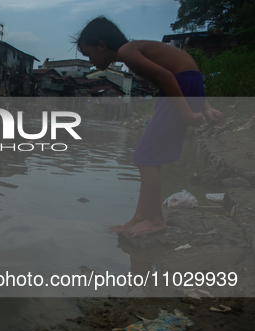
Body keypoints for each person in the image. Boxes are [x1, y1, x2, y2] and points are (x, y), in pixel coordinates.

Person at [75, 16, 221, 237]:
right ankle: (140, 217)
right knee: (151, 158)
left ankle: (155, 220)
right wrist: (205, 106)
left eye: (89, 54)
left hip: (180, 85)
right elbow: (188, 73)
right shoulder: (134, 52)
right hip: (187, 84)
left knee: (144, 156)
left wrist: (189, 114)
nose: (91, 62)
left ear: (102, 45)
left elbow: (167, 76)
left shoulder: (127, 51)